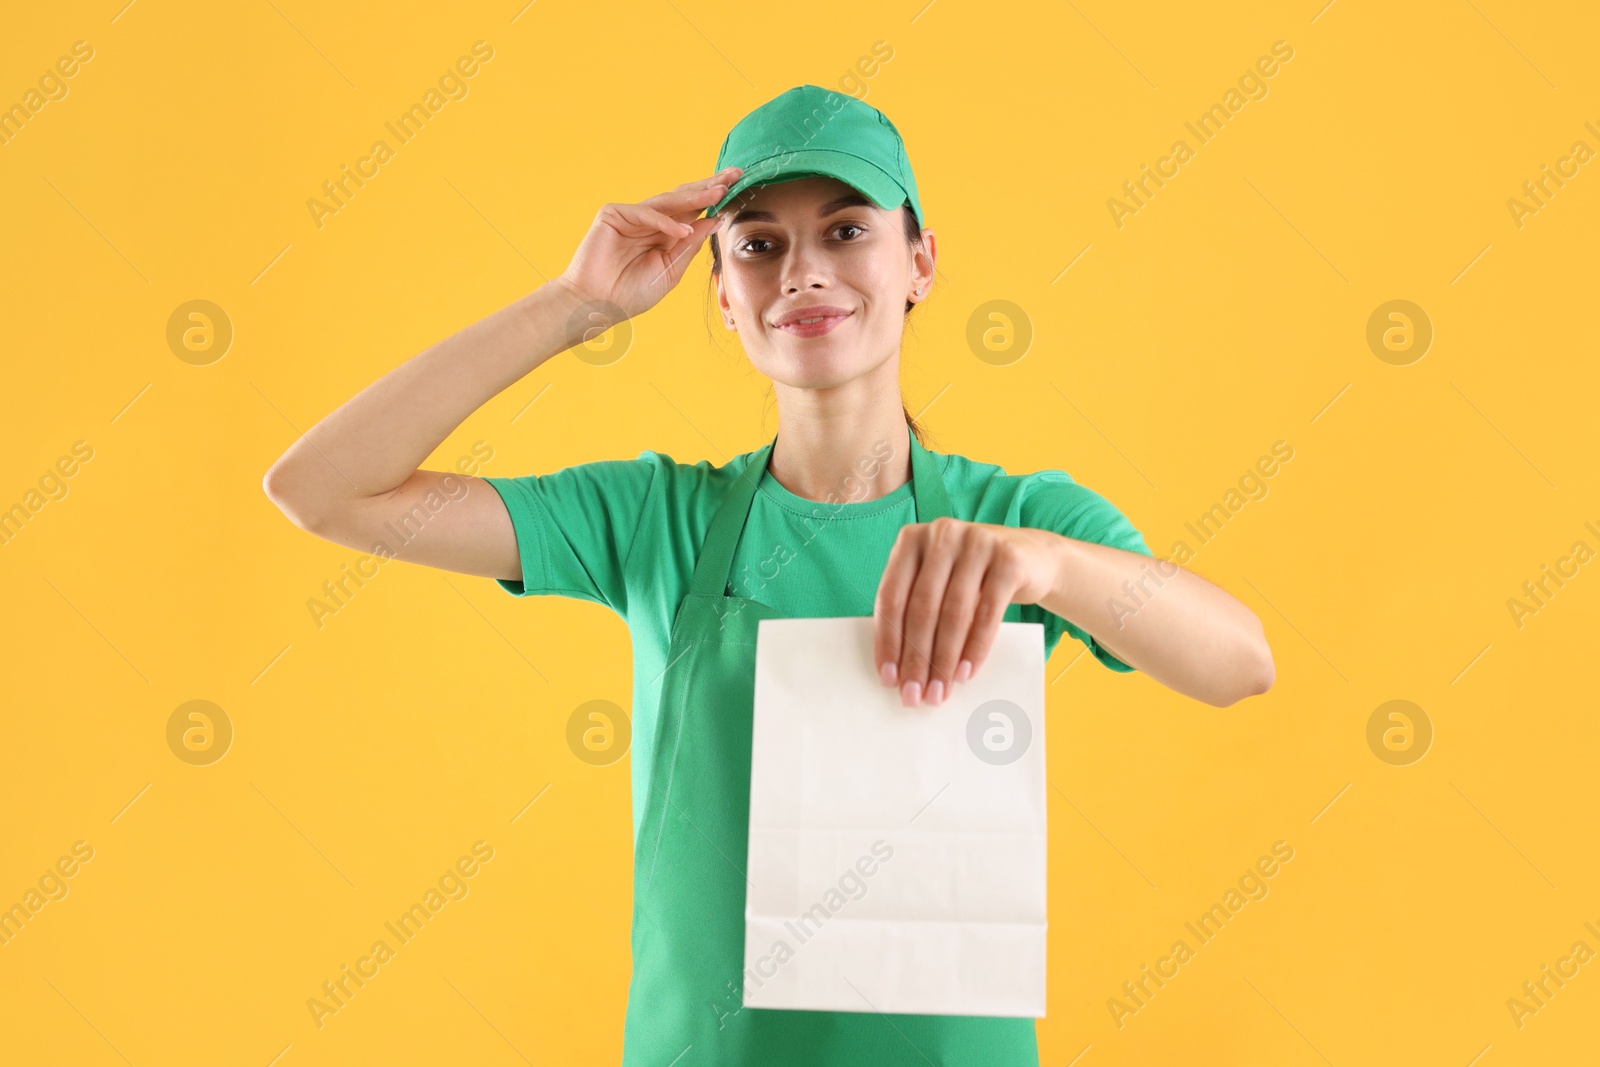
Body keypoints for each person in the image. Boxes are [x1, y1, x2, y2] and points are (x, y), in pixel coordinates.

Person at [263, 84, 1275, 1066]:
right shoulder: (654, 519)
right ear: (722, 291)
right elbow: (324, 490)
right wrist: (572, 305)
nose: (801, 272)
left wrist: (1047, 566)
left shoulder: (1015, 521)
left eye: (845, 231)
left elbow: (1239, 663)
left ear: (919, 261)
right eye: (758, 244)